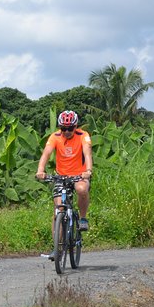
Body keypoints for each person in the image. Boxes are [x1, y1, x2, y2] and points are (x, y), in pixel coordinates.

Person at [35, 110, 93, 257]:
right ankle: (57, 247)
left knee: (81, 189)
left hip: (79, 175)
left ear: (76, 126)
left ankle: (83, 218)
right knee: (59, 209)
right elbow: (46, 153)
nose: (66, 132)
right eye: (63, 128)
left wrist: (88, 170)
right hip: (61, 176)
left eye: (70, 128)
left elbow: (87, 153)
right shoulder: (55, 137)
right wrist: (41, 170)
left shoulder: (83, 136)